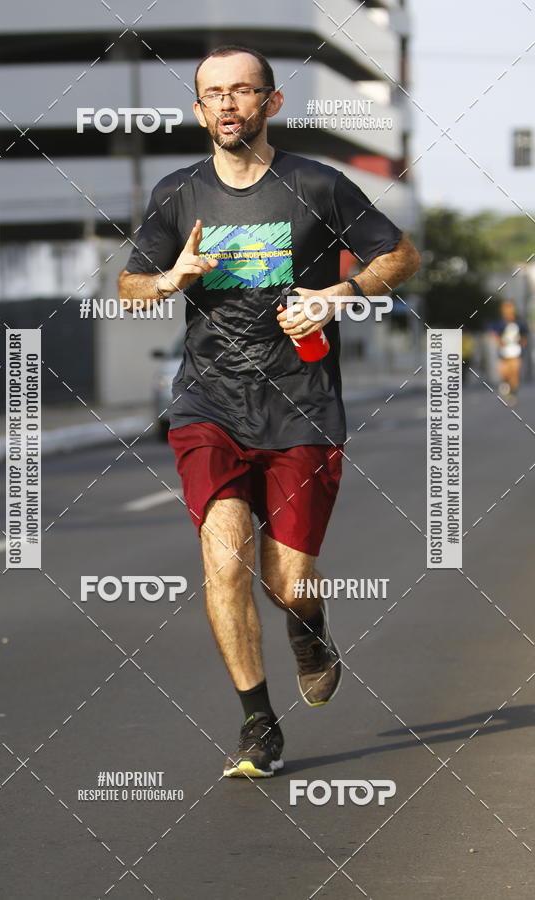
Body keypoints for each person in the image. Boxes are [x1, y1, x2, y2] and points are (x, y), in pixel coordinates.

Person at [118, 45, 421, 777]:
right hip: (208, 402)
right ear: (198, 110)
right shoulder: (177, 192)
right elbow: (130, 287)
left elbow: (399, 255)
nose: (227, 104)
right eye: (213, 94)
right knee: (224, 556)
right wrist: (170, 277)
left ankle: (308, 627)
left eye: (243, 92)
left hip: (303, 406)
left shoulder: (316, 185)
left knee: (287, 581)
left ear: (271, 103)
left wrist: (336, 295)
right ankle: (258, 723)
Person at [489, 300, 529, 406]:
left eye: (510, 308)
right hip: (503, 354)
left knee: (515, 372)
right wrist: (499, 341)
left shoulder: (519, 322)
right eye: (506, 309)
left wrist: (523, 342)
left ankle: (513, 393)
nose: (508, 311)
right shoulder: (499, 323)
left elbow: (525, 335)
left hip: (516, 353)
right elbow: (494, 333)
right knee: (504, 373)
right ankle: (505, 385)